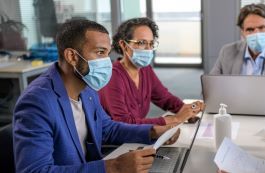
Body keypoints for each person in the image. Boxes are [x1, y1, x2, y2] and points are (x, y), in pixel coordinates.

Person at [13, 19, 179, 173]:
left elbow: (106, 128)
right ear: (72, 57)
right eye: (100, 52)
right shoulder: (37, 102)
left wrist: (151, 132)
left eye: (107, 53)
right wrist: (113, 167)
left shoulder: (87, 88)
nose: (107, 61)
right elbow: (34, 171)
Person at [99, 17, 204, 126]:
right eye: (142, 43)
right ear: (124, 45)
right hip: (116, 141)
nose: (148, 49)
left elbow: (165, 98)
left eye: (151, 43)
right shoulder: (113, 76)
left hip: (134, 137)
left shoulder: (145, 70)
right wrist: (174, 119)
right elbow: (123, 122)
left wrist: (188, 110)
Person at [210, 3, 265, 105]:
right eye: (250, 29)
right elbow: (211, 90)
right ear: (242, 32)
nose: (256, 33)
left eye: (261, 28)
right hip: (236, 112)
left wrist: (243, 96)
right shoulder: (227, 52)